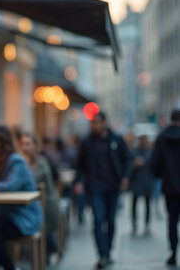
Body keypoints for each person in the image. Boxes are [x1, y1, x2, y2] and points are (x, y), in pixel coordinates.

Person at [0, 122, 42, 270]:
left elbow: (10, 186)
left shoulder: (16, 161)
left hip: (24, 217)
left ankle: (10, 268)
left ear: (0, 141)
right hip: (4, 216)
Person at [74, 112, 131, 269]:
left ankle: (108, 250)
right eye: (93, 123)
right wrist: (78, 181)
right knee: (98, 220)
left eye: (98, 123)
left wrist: (126, 176)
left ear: (105, 123)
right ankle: (102, 254)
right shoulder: (87, 142)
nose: (95, 126)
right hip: (95, 187)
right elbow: (79, 164)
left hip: (113, 187)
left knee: (111, 221)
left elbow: (128, 158)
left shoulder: (117, 139)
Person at [18, 132, 60, 258]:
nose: (24, 148)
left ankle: (46, 248)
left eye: (28, 144)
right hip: (30, 203)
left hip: (46, 203)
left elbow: (29, 182)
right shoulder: (22, 162)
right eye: (22, 144)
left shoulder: (41, 162)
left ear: (36, 146)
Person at [150, 109, 180, 266]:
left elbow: (154, 163)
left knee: (172, 220)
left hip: (169, 186)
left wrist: (160, 175)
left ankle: (173, 251)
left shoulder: (162, 138)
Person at [130, 134, 156, 235]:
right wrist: (134, 164)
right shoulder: (134, 151)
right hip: (137, 181)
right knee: (134, 203)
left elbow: (155, 164)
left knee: (148, 204)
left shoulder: (151, 152)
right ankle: (134, 223)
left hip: (148, 181)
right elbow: (129, 164)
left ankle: (147, 224)